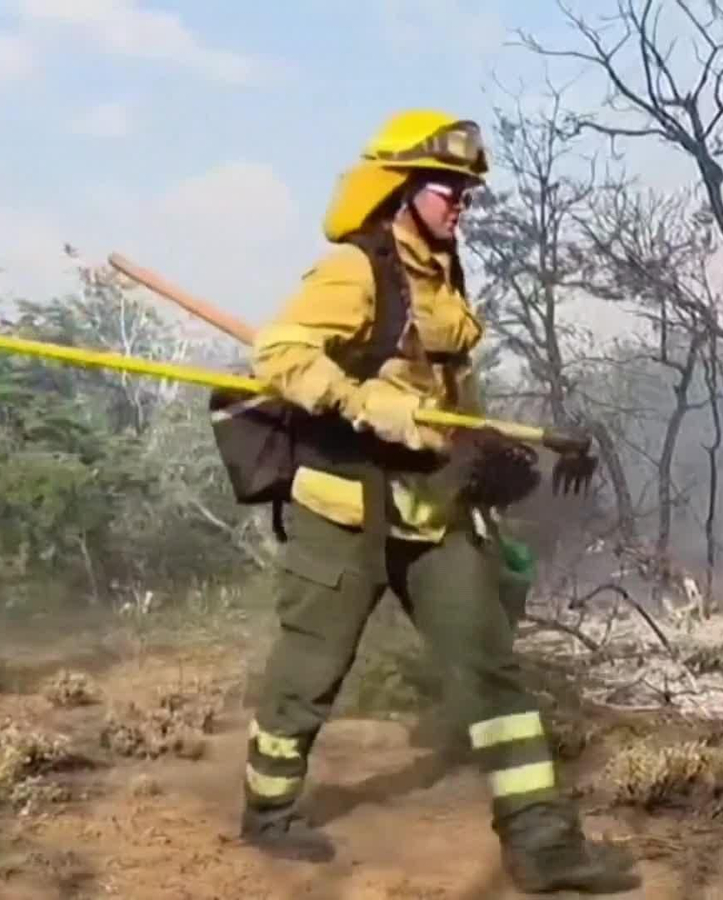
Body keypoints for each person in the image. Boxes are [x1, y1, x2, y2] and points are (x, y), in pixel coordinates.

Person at [238, 110, 640, 894]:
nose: (461, 201)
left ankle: (544, 847)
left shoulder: (444, 272)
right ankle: (269, 812)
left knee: (492, 671)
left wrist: (484, 444)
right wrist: (358, 400)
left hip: (433, 508)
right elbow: (278, 352)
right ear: (400, 189)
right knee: (310, 669)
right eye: (447, 187)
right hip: (345, 510)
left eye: (466, 191)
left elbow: (444, 389)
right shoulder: (354, 273)